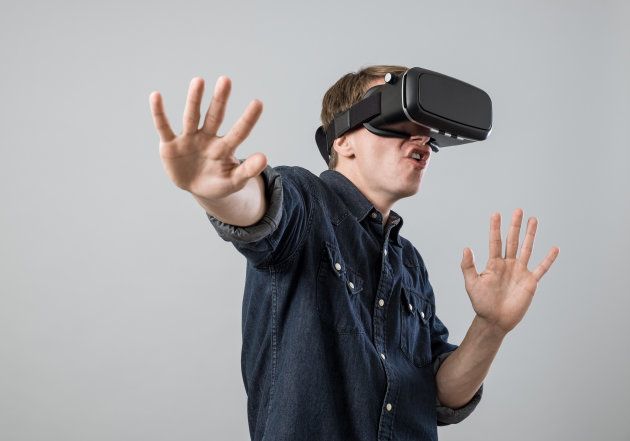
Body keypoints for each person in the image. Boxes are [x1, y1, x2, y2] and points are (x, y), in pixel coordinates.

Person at [149, 65, 560, 441]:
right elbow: (259, 208)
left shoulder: (409, 263)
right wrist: (215, 188)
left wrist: (491, 326)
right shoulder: (306, 204)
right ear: (342, 140)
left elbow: (439, 395)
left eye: (428, 133)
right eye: (398, 122)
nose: (420, 139)